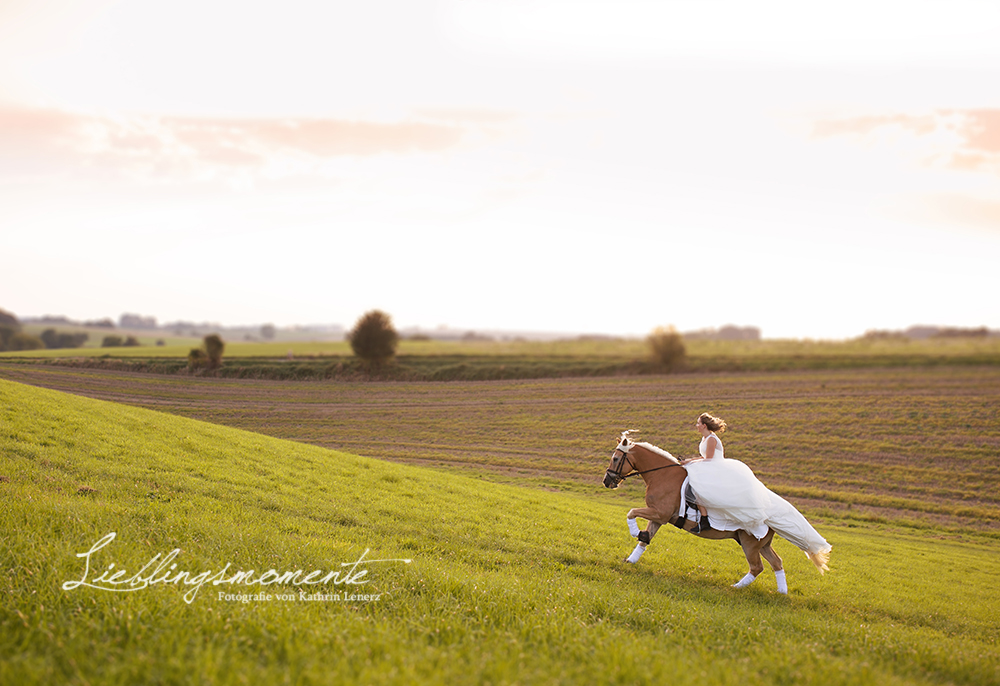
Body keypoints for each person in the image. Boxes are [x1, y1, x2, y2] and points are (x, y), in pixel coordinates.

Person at [681, 412, 770, 537]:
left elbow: (709, 459)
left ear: (704, 425)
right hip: (709, 466)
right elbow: (703, 456)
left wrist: (692, 464)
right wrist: (687, 461)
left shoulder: (712, 439)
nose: (696, 425)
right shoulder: (705, 438)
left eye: (698, 423)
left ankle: (705, 519)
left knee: (697, 486)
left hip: (715, 469)